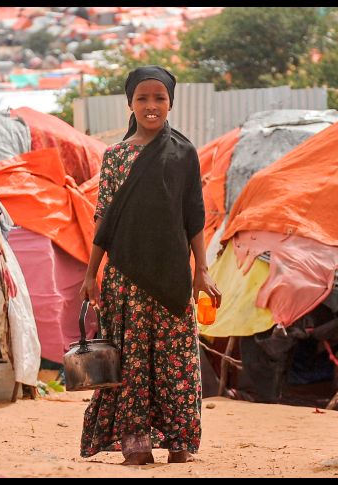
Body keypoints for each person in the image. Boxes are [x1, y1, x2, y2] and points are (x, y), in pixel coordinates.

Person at [79, 65, 221, 466]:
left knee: (176, 359)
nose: (151, 105)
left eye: (159, 98)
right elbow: (103, 219)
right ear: (129, 103)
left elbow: (194, 215)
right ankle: (135, 441)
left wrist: (202, 269)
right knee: (132, 359)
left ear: (171, 103)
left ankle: (180, 441)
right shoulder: (116, 157)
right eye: (142, 98)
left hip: (174, 274)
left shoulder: (184, 153)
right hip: (126, 277)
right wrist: (92, 273)